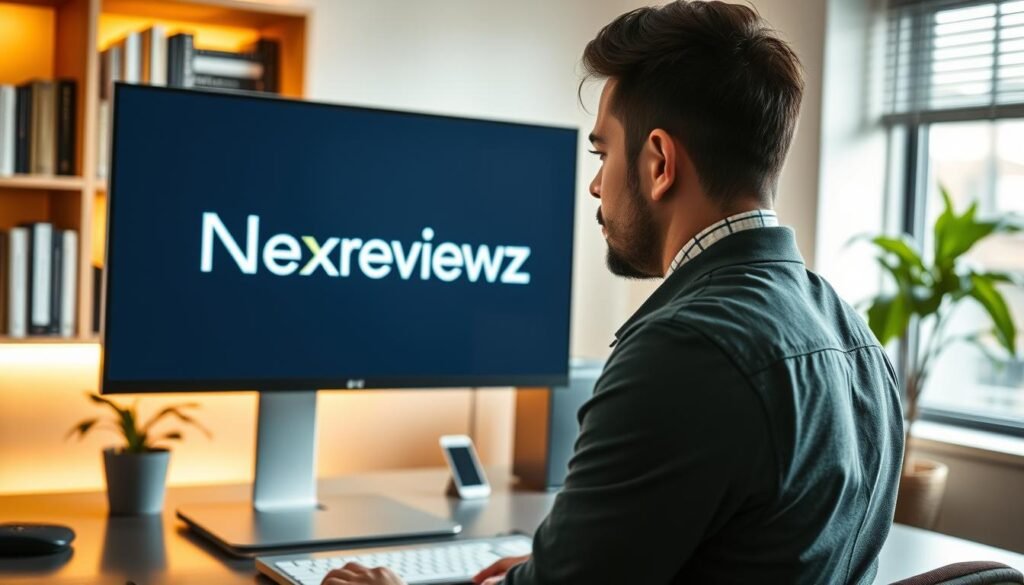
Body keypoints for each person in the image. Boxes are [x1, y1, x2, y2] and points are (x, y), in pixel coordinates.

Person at [321, 1, 904, 584]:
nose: (597, 185)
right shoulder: (858, 338)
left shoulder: (685, 347)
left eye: (602, 154)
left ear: (658, 163)